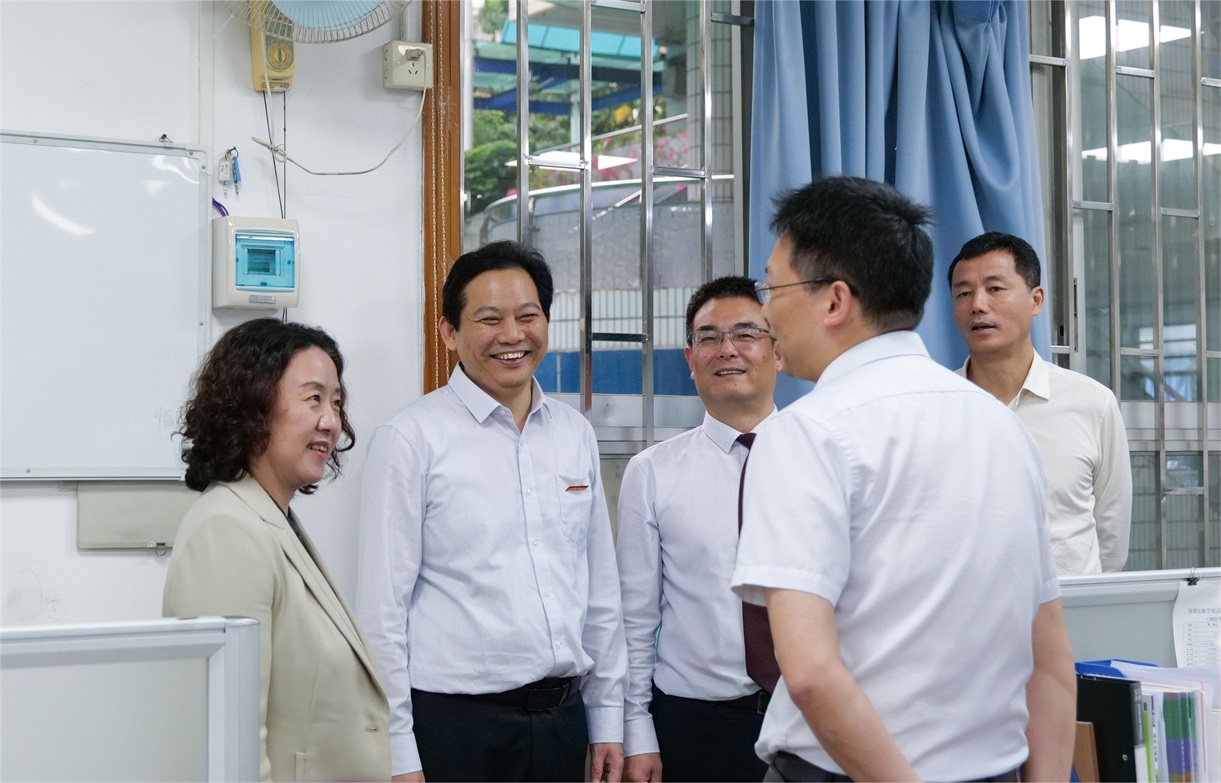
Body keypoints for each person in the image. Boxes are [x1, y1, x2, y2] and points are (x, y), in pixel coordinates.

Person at [730, 176, 1077, 782]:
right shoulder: (1003, 428)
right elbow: (1050, 660)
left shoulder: (805, 433)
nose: (766, 311)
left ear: (835, 302)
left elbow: (808, 671)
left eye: (772, 287)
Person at [355, 239, 627, 783]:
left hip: (563, 720)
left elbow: (599, 591)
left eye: (528, 316)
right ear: (449, 332)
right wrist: (399, 753)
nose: (512, 335)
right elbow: (381, 612)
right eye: (489, 319)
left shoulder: (574, 433)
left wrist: (608, 720)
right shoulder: (411, 438)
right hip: (456, 727)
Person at [163, 318, 391, 783]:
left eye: (336, 402)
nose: (331, 421)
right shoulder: (228, 529)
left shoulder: (272, 519)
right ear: (253, 405)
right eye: (313, 399)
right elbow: (228, 739)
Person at [617, 276, 782, 783]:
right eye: (709, 337)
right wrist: (637, 730)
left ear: (778, 351)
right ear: (690, 359)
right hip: (696, 726)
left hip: (814, 717)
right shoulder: (652, 472)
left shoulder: (829, 458)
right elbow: (634, 619)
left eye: (746, 333)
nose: (727, 349)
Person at [949, 231, 1133, 575]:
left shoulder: (1092, 404)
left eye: (995, 288)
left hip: (1072, 605)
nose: (977, 305)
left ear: (1036, 300)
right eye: (963, 293)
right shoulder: (936, 409)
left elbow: (1112, 538)